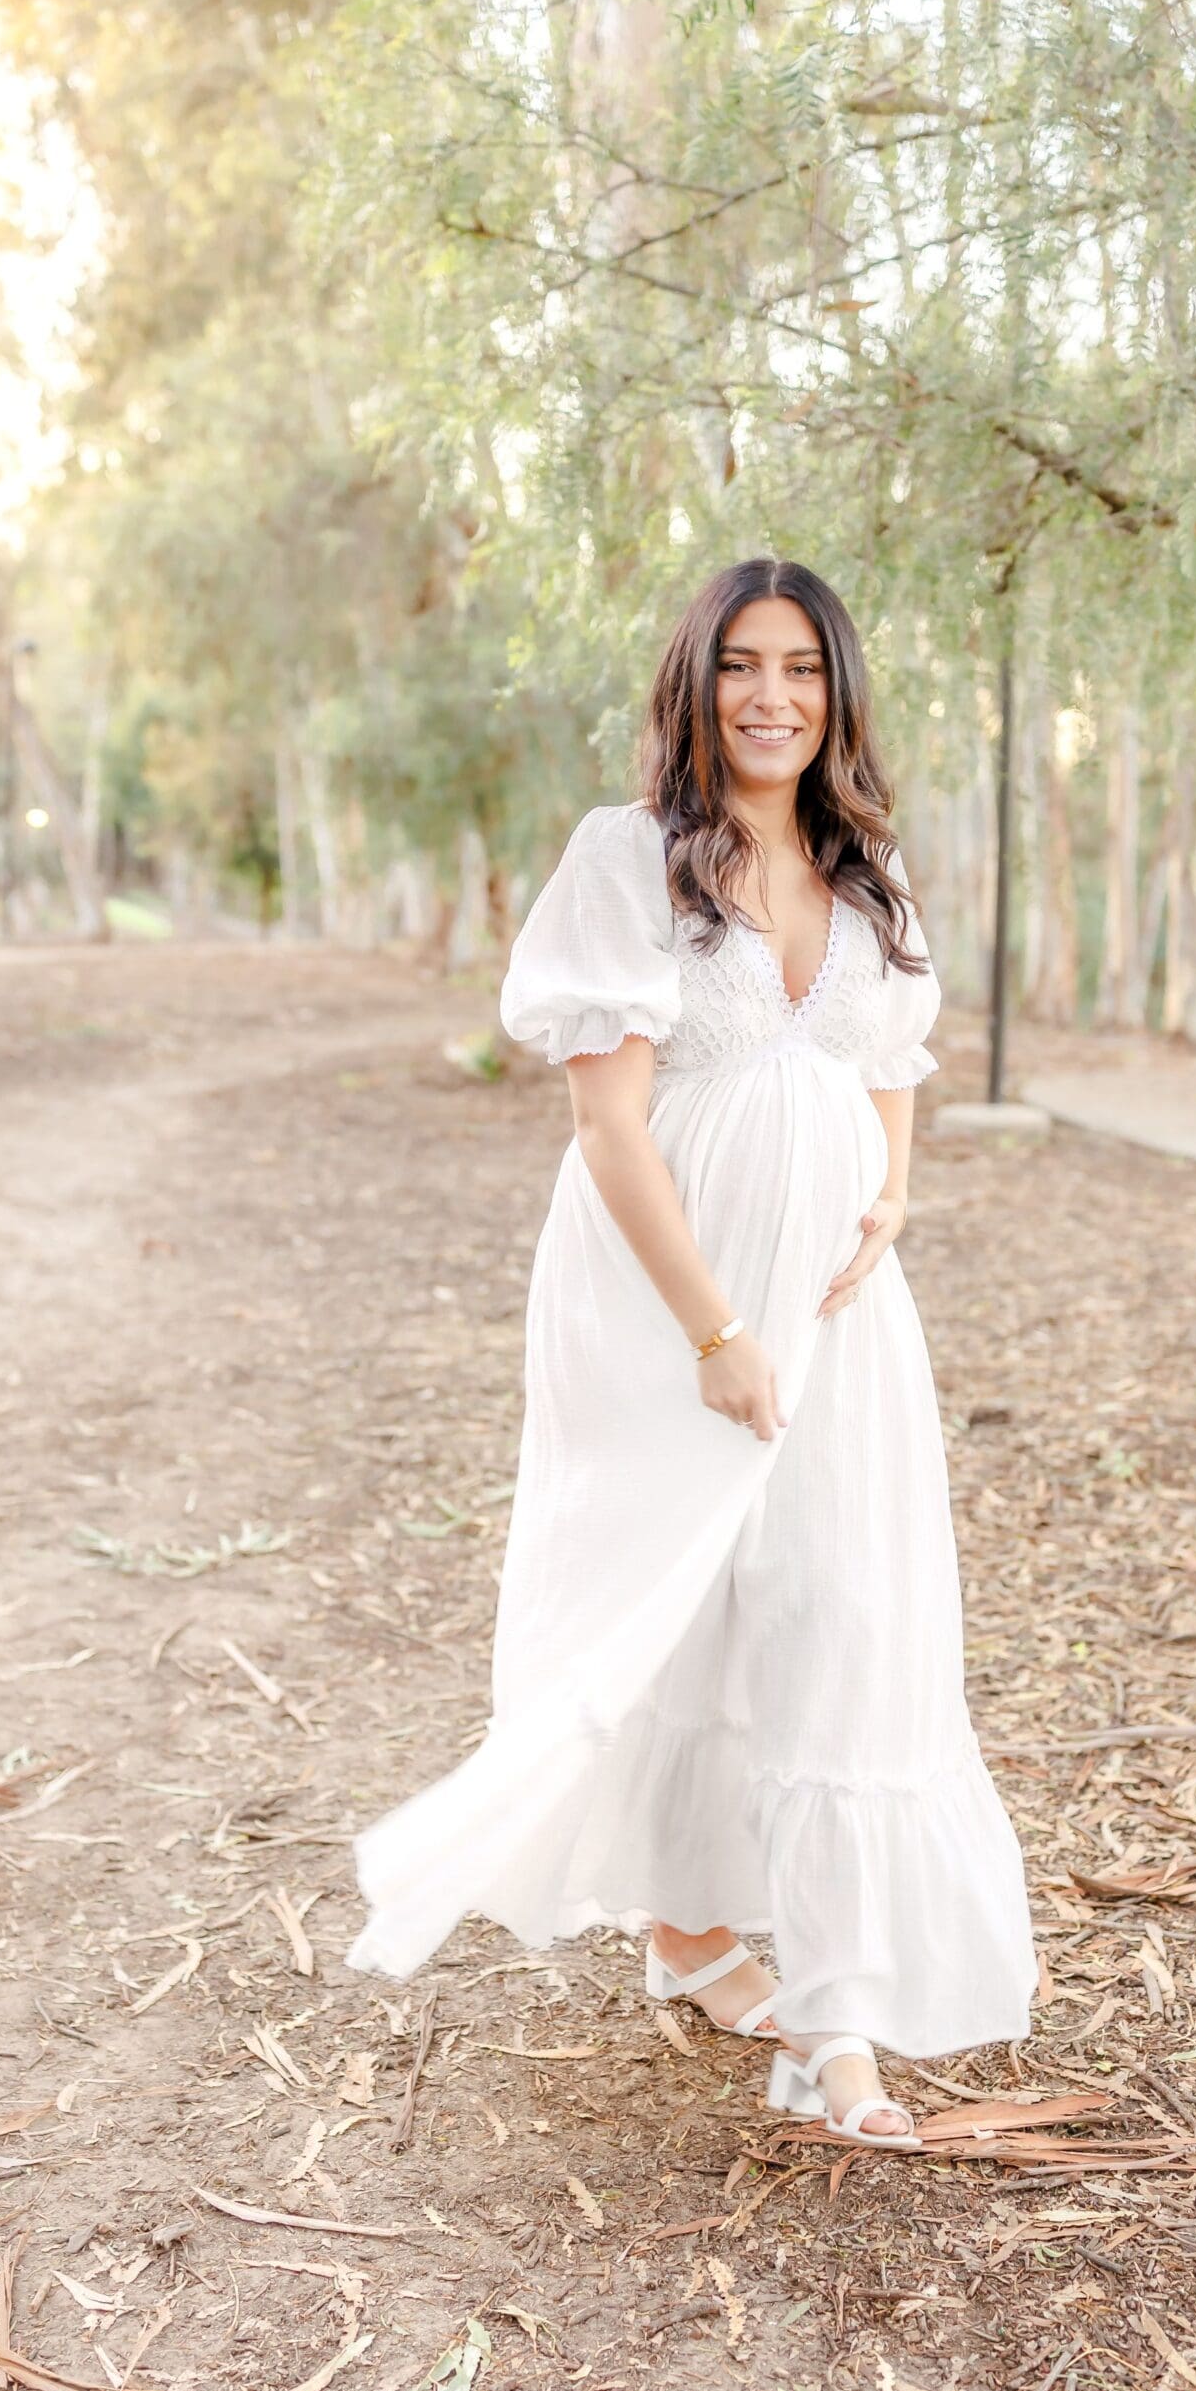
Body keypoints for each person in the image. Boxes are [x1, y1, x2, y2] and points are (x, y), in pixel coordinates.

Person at [348, 557, 1036, 2149]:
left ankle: (840, 2018)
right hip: (666, 1296)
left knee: (842, 1605)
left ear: (835, 688)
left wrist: (899, 1191)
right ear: (698, 683)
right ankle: (687, 1929)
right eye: (742, 665)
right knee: (677, 1603)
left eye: (800, 666)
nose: (772, 696)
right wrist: (716, 1331)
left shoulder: (870, 874)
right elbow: (608, 1123)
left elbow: (888, 1057)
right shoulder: (632, 859)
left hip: (842, 1311)